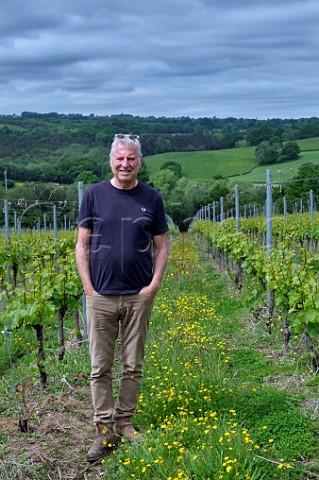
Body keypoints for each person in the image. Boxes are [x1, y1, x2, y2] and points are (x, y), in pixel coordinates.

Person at [75, 133, 168, 462]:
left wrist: (153, 285)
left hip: (138, 296)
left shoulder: (152, 198)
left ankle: (125, 423)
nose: (125, 164)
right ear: (111, 161)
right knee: (100, 367)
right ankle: (104, 430)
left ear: (139, 161)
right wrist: (88, 288)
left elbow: (161, 246)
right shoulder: (94, 195)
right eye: (120, 158)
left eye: (131, 158)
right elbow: (82, 245)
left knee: (132, 365)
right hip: (100, 296)